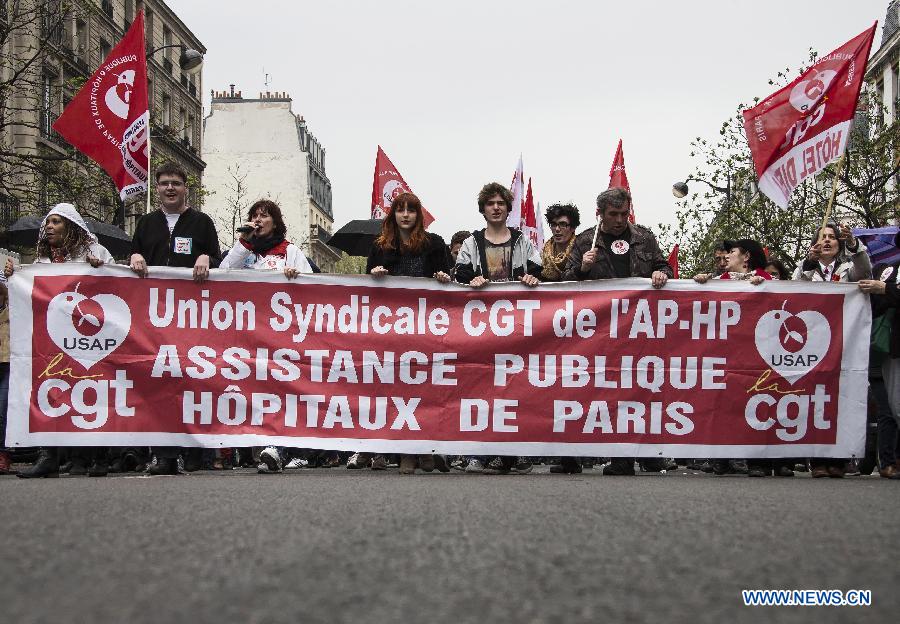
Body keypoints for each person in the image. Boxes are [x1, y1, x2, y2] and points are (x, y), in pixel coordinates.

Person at [563, 188, 671, 476]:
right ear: (600, 214)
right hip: (602, 332)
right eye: (614, 215)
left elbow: (663, 266)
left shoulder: (643, 237)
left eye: (624, 213)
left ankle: (637, 453)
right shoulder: (586, 240)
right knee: (606, 390)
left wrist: (662, 273)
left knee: (639, 389)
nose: (620, 220)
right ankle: (616, 452)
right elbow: (566, 282)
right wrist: (582, 269)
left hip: (640, 328)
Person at [4, 203, 115, 478]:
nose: (49, 227)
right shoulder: (42, 263)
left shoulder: (96, 253)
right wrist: (12, 277)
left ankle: (93, 457)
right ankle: (50, 456)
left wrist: (100, 270)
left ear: (71, 227)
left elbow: (117, 286)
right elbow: (26, 296)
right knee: (53, 392)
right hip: (51, 340)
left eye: (56, 222)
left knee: (89, 393)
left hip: (87, 339)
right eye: (47, 223)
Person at [130, 162, 222, 476]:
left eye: (176, 183)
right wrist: (135, 256)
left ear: (186, 188)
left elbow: (219, 261)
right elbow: (134, 255)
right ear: (157, 189)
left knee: (188, 380)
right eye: (164, 183)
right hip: (154, 316)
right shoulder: (145, 223)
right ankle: (164, 454)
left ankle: (191, 451)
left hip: (191, 316)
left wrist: (207, 257)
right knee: (159, 381)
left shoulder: (202, 223)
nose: (170, 188)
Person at [220, 199, 313, 473]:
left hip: (280, 335)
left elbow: (312, 288)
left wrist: (294, 278)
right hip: (248, 334)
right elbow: (223, 272)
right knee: (253, 389)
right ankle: (263, 446)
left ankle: (278, 448)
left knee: (280, 388)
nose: (258, 220)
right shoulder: (243, 250)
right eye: (254, 216)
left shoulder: (290, 251)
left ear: (275, 221)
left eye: (264, 216)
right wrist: (243, 242)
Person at [455, 183, 541, 474]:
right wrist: (470, 281)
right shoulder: (471, 243)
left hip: (515, 327)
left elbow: (538, 270)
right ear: (483, 209)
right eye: (490, 203)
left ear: (507, 207)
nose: (495, 207)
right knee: (481, 389)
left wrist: (532, 280)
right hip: (480, 329)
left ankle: (513, 454)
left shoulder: (523, 242)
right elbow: (460, 274)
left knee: (515, 390)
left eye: (500, 202)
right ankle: (478, 453)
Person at [363, 191, 452, 475]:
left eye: (410, 210)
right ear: (393, 215)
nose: (405, 215)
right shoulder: (380, 246)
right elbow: (366, 284)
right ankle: (406, 452)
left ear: (418, 215)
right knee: (398, 389)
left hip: (426, 327)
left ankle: (426, 448)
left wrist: (442, 277)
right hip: (393, 329)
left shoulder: (435, 244)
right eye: (400, 210)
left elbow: (448, 277)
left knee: (425, 388)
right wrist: (375, 274)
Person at [794, 222, 871, 478]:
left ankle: (838, 459)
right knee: (814, 400)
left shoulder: (848, 266)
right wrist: (807, 262)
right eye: (822, 237)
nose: (827, 241)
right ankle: (816, 459)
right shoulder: (807, 268)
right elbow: (794, 287)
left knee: (841, 398)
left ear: (839, 244)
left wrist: (854, 246)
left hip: (843, 342)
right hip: (813, 342)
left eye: (832, 237)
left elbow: (864, 272)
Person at [537, 203, 584, 474]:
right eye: (554, 224)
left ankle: (577, 452)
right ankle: (566, 454)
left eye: (563, 224)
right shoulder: (545, 252)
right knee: (558, 390)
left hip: (581, 325)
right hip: (555, 329)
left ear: (573, 227)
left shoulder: (583, 248)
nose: (557, 229)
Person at [860, 252, 900, 480]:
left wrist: (887, 290)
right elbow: (876, 305)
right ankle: (891, 459)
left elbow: (887, 294)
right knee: (894, 407)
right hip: (892, 348)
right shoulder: (889, 270)